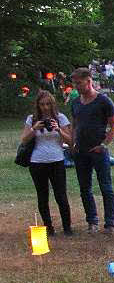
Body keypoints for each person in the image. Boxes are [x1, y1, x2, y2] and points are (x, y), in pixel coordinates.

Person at [69, 66, 114, 233]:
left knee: (105, 186)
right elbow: (74, 125)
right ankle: (92, 221)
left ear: (89, 81)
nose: (77, 86)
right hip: (80, 151)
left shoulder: (104, 101)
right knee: (85, 188)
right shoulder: (75, 103)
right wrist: (73, 143)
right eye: (75, 83)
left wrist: (104, 145)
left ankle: (110, 223)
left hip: (98, 150)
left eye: (79, 83)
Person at [22, 90, 74, 236]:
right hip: (37, 162)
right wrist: (34, 129)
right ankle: (48, 227)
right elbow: (24, 139)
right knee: (42, 195)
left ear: (53, 104)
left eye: (48, 104)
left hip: (56, 160)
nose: (45, 107)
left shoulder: (61, 118)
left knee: (61, 195)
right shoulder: (31, 119)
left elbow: (70, 141)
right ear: (38, 105)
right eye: (42, 104)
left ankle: (67, 227)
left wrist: (58, 129)